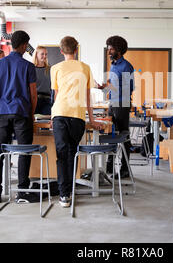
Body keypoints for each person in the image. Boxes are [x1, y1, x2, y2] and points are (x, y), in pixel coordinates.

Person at [51, 36, 104, 208]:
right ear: (76, 49)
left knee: (61, 155)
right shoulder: (85, 67)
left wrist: (53, 116)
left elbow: (57, 96)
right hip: (77, 116)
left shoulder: (55, 68)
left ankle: (64, 194)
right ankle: (69, 190)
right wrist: (93, 118)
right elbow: (88, 96)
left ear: (61, 51)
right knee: (71, 153)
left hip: (59, 114)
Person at [0, 31, 38, 203]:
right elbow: (33, 95)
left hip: (2, 112)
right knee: (24, 150)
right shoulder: (28, 66)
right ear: (24, 45)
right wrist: (31, 114)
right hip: (22, 112)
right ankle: (22, 192)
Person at [98, 35, 134, 179]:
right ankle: (109, 166)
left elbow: (127, 89)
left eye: (111, 49)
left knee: (123, 136)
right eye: (108, 49)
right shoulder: (114, 65)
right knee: (110, 134)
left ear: (119, 50)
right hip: (112, 104)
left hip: (122, 105)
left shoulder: (126, 66)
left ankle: (124, 169)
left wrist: (110, 87)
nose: (109, 51)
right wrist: (105, 87)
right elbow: (115, 86)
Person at [32, 46, 52, 115]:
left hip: (47, 101)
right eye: (42, 54)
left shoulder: (50, 69)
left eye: (46, 54)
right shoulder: (31, 69)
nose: (44, 56)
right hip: (34, 100)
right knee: (32, 124)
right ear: (36, 55)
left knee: (46, 124)